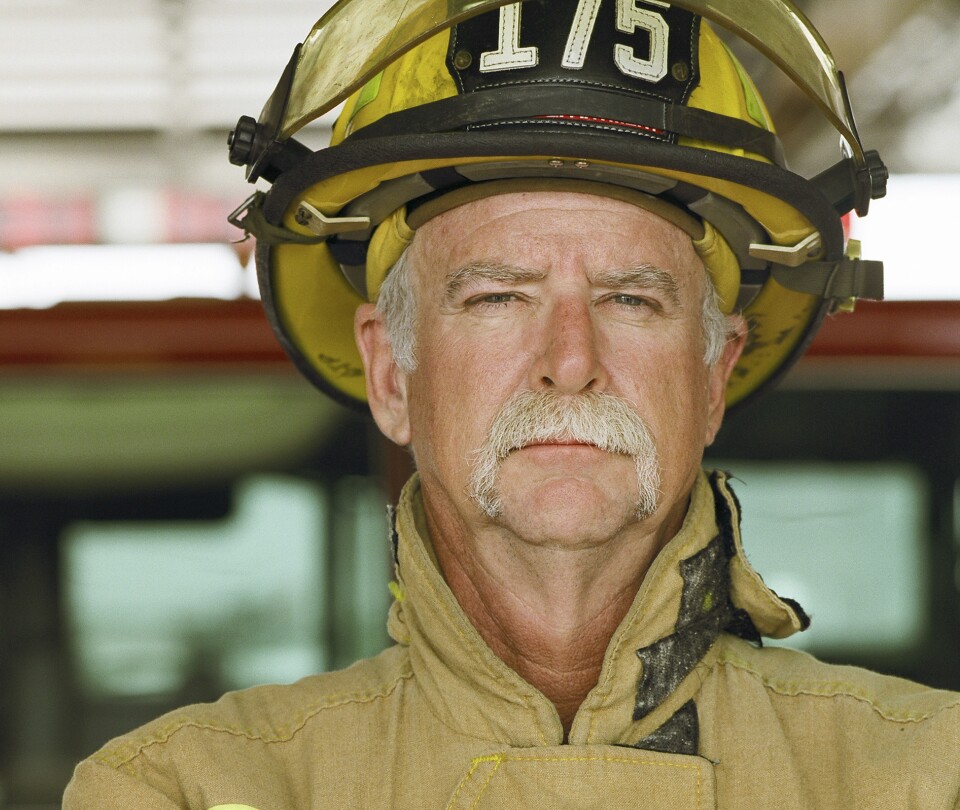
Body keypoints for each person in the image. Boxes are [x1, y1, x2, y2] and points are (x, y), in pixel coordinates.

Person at [65, 0, 960, 806]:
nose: (570, 363)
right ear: (391, 374)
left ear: (714, 374)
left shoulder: (931, 772)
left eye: (631, 299)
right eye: (497, 298)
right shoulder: (184, 786)